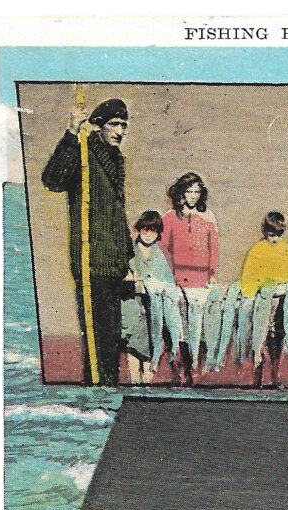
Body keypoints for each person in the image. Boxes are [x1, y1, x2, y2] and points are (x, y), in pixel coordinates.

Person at [42, 98, 133, 386]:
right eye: (114, 124)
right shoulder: (84, 151)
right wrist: (71, 132)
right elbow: (53, 180)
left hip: (113, 265)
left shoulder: (115, 159)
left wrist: (127, 260)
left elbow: (116, 215)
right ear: (99, 125)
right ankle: (96, 397)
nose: (120, 131)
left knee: (111, 339)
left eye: (123, 125)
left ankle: (107, 394)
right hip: (91, 260)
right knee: (97, 341)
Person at [160, 172, 220, 382]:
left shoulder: (208, 216)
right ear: (181, 193)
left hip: (201, 279)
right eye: (189, 191)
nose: (193, 196)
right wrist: (169, 277)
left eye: (197, 192)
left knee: (201, 324)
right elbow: (163, 250)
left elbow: (214, 249)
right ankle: (182, 368)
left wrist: (211, 275)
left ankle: (196, 367)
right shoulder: (169, 217)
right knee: (180, 327)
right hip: (177, 279)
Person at [121, 211, 182, 382]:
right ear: (139, 229)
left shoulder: (160, 256)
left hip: (153, 314)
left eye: (153, 231)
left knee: (150, 357)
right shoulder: (129, 253)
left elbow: (168, 284)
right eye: (145, 230)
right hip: (133, 309)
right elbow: (124, 280)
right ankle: (134, 389)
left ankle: (146, 390)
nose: (148, 235)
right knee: (132, 355)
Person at [240, 212, 288, 388]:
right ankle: (257, 373)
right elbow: (248, 276)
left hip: (280, 299)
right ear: (265, 231)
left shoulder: (286, 248)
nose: (275, 239)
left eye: (279, 235)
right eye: (272, 235)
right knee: (260, 336)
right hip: (262, 300)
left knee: (277, 336)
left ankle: (275, 372)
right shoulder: (257, 249)